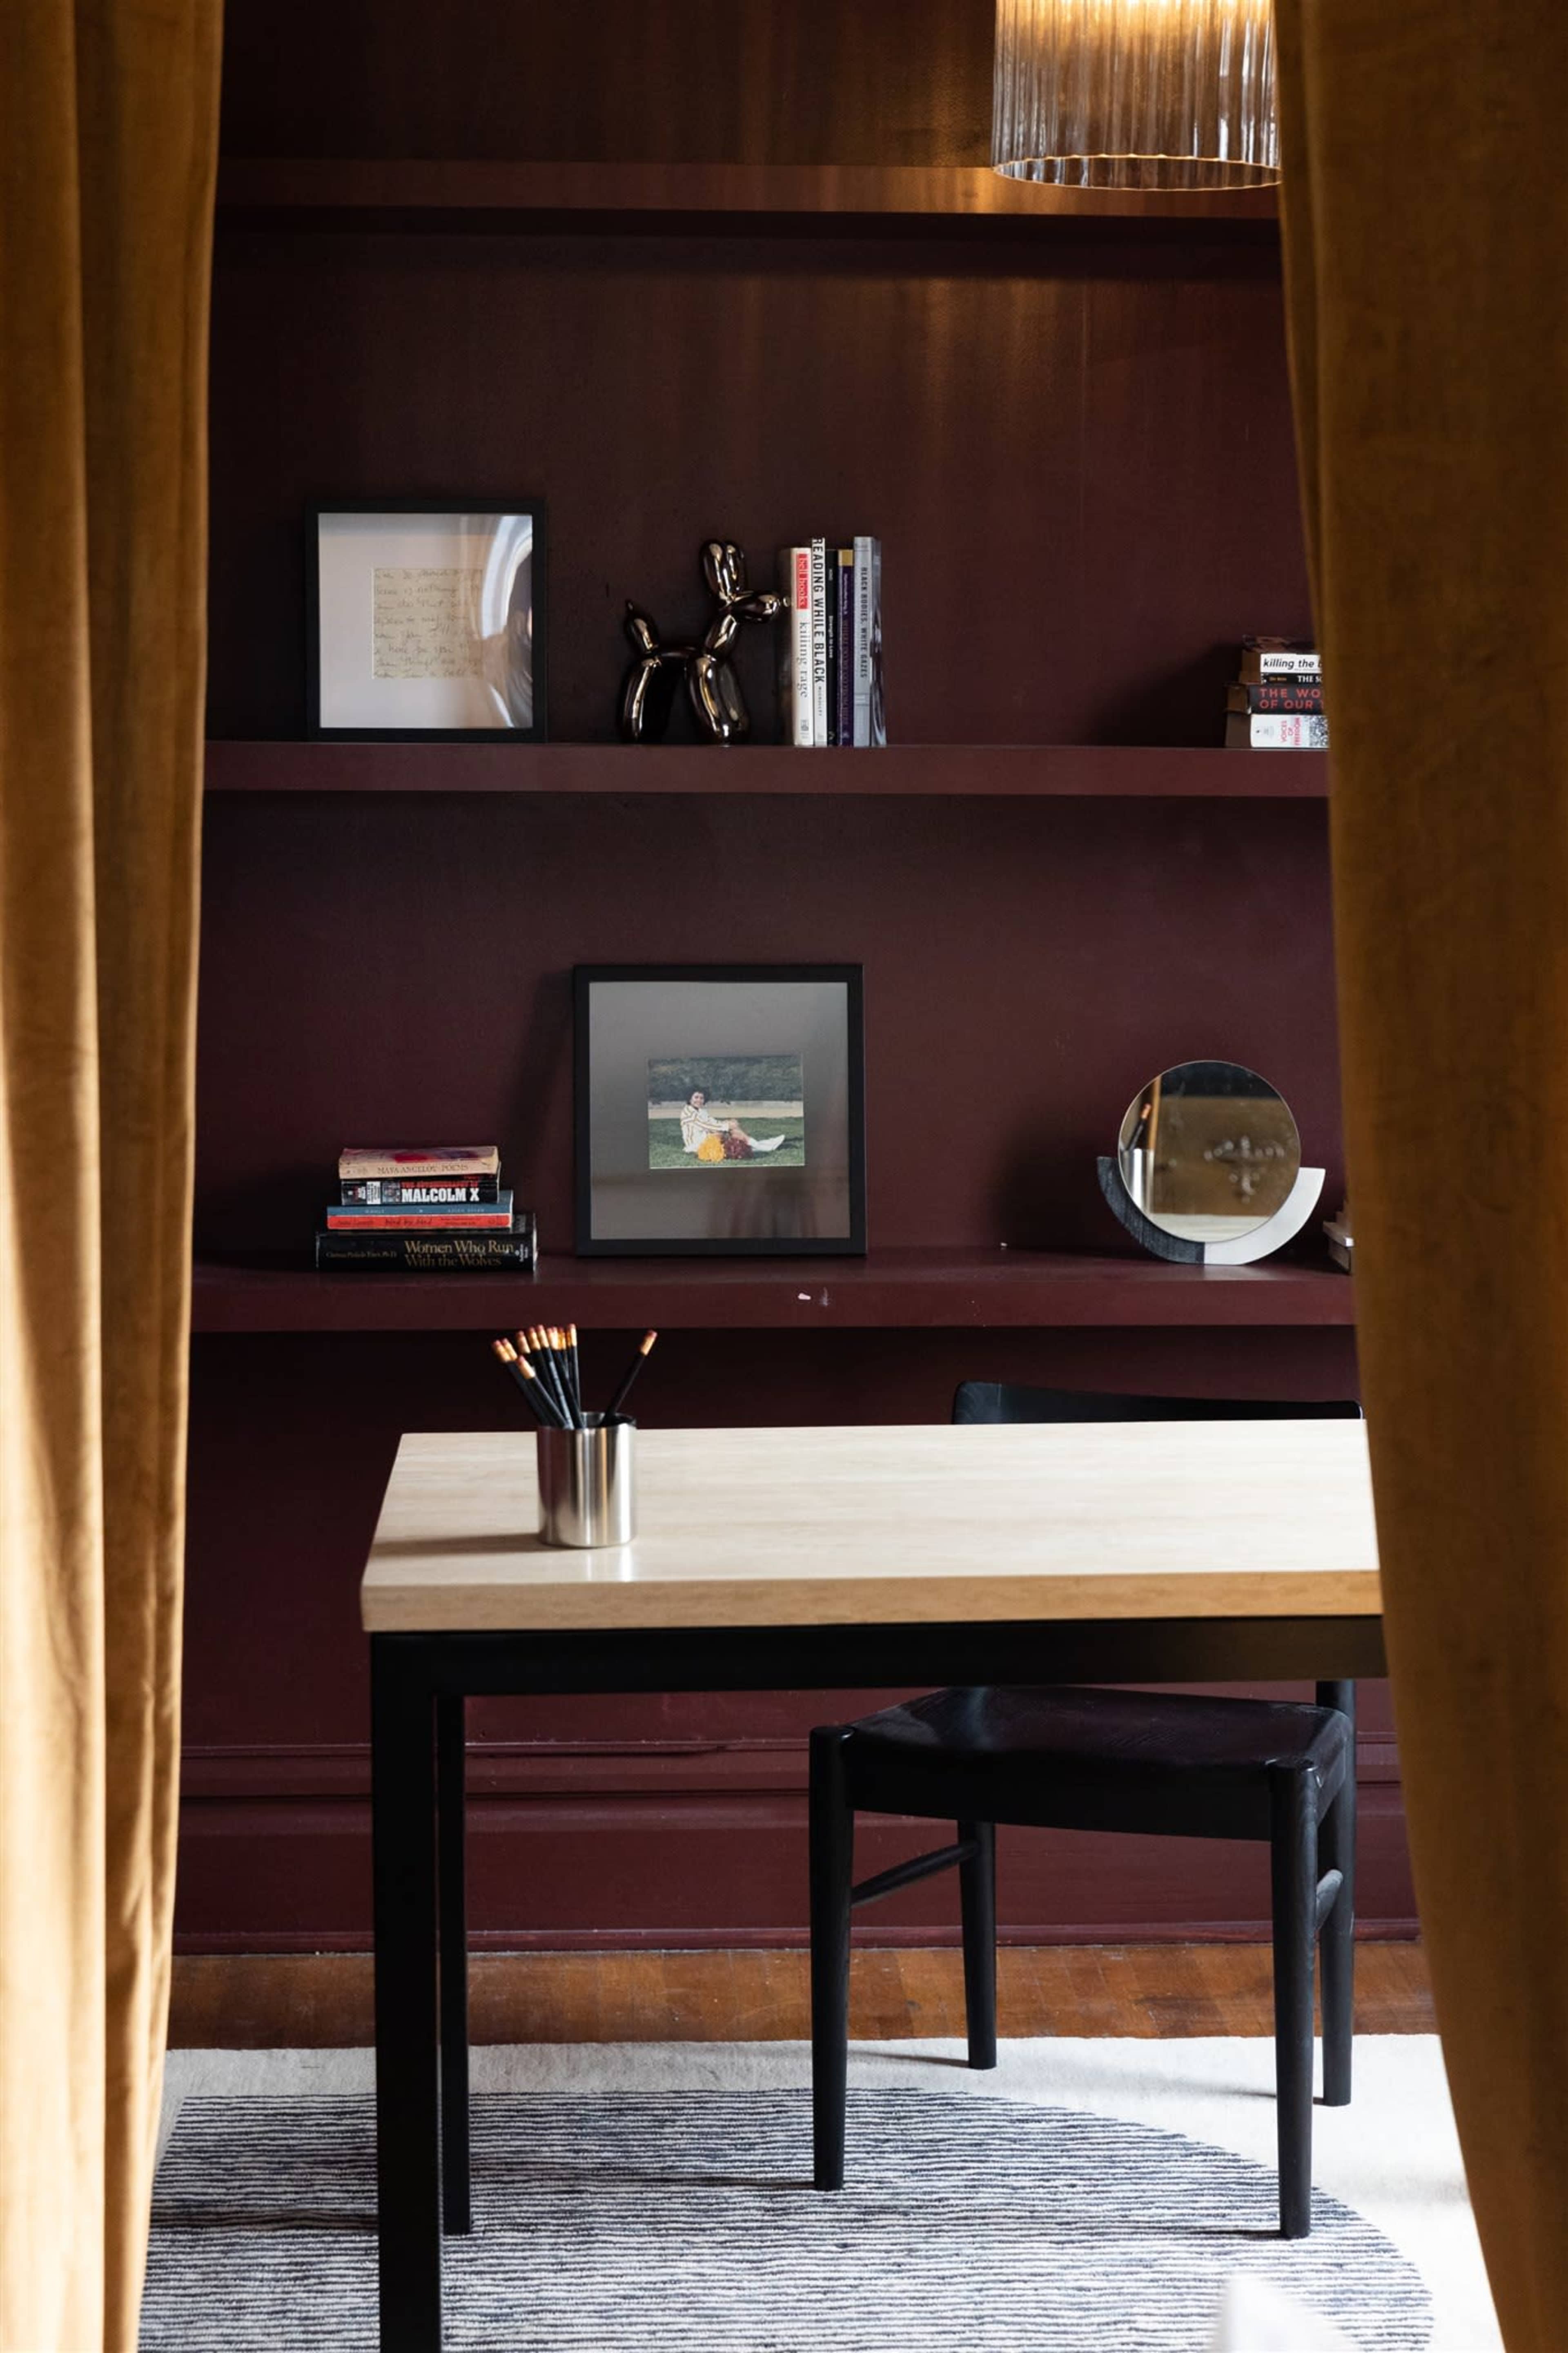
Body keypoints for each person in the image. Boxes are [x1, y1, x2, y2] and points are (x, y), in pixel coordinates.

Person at [678, 1089, 786, 1160]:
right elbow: (707, 1126)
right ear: (690, 1098)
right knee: (722, 1133)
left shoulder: (701, 1111)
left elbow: (713, 1122)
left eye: (702, 1098)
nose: (699, 1100)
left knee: (732, 1130)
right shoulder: (688, 1112)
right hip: (695, 1145)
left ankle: (759, 1145)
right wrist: (727, 1126)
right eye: (696, 1097)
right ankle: (759, 1146)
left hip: (705, 1138)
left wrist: (728, 1122)